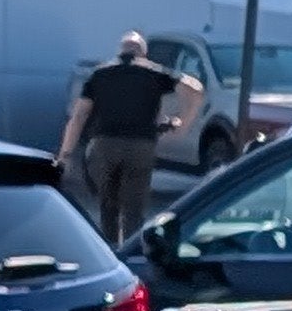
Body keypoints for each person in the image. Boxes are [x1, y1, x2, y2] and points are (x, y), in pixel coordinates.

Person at [61, 32, 193, 252]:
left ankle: (111, 250)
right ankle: (132, 253)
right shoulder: (154, 72)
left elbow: (79, 115)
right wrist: (183, 123)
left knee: (108, 205)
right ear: (143, 54)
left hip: (105, 145)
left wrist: (65, 154)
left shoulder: (100, 74)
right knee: (134, 208)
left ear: (120, 51)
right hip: (141, 146)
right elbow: (194, 90)